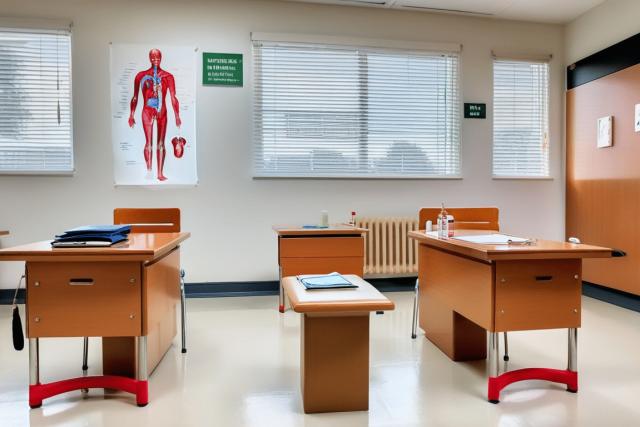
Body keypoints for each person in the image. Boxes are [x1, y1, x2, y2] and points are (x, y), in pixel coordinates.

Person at [128, 48, 181, 181]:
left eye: (157, 58)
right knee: (148, 143)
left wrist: (177, 115)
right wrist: (131, 114)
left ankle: (159, 173)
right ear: (149, 58)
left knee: (161, 143)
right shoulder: (141, 76)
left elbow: (174, 98)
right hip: (147, 111)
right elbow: (135, 97)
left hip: (162, 111)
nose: (155, 60)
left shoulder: (168, 76)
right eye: (153, 58)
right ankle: (150, 170)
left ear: (161, 58)